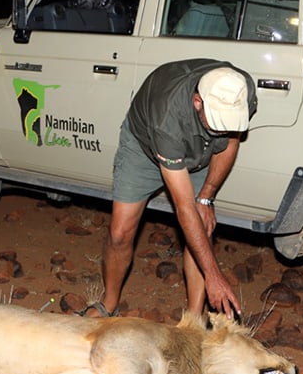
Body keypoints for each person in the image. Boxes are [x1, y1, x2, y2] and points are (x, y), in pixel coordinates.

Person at [97, 59, 257, 320]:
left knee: (201, 226)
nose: (224, 128)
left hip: (200, 149)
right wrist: (213, 275)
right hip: (145, 146)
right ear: (197, 102)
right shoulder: (166, 116)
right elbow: (183, 208)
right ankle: (109, 303)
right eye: (218, 121)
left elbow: (230, 142)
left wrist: (206, 198)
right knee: (120, 232)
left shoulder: (239, 90)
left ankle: (194, 320)